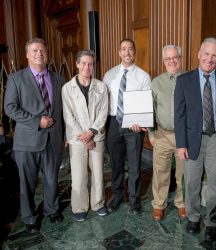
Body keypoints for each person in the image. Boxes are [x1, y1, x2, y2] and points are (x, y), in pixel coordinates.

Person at [174, 37, 216, 241]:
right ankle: (193, 218)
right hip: (193, 141)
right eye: (206, 54)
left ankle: (212, 221)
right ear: (199, 54)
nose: (209, 59)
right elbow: (179, 115)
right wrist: (181, 144)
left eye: (214, 55)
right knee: (191, 182)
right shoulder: (184, 80)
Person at [4, 37, 64, 233]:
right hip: (27, 141)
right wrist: (37, 121)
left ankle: (51, 209)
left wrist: (64, 135)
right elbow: (10, 108)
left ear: (47, 54)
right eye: (35, 50)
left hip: (53, 139)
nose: (39, 53)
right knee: (27, 183)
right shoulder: (16, 78)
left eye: (42, 50)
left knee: (52, 179)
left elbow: (63, 111)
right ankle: (29, 218)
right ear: (27, 55)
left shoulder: (58, 79)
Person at [103, 38, 151, 214]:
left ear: (134, 51)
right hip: (114, 123)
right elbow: (104, 102)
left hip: (134, 126)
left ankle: (134, 200)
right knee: (116, 163)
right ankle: (117, 196)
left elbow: (146, 104)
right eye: (123, 49)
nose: (127, 52)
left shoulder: (143, 76)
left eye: (130, 49)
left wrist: (142, 122)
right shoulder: (109, 75)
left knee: (134, 165)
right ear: (119, 52)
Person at [62, 50, 109, 222]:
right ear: (77, 64)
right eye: (83, 63)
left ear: (93, 66)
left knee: (98, 173)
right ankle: (79, 206)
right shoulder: (67, 88)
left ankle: (98, 203)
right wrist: (84, 136)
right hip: (77, 139)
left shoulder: (101, 86)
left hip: (96, 136)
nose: (86, 67)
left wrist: (92, 132)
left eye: (90, 64)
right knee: (79, 175)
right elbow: (68, 116)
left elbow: (103, 112)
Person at [149, 45, 186, 221]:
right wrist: (150, 133)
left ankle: (182, 203)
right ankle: (159, 205)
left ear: (181, 58)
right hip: (162, 134)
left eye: (175, 57)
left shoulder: (190, 79)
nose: (171, 61)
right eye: (168, 59)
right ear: (163, 61)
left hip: (183, 136)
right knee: (160, 171)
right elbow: (151, 110)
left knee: (183, 172)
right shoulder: (156, 82)